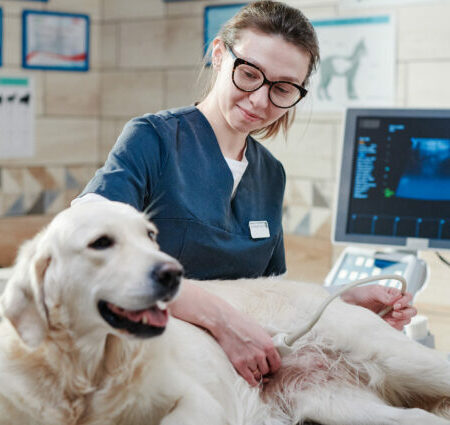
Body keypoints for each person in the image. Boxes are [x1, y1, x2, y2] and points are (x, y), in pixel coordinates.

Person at [74, 1, 416, 387]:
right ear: (220, 55)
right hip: (147, 368)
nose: (259, 100)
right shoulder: (152, 139)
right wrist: (223, 320)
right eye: (249, 74)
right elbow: (87, 250)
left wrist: (340, 301)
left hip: (237, 378)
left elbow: (271, 296)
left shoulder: (270, 174)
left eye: (282, 88)